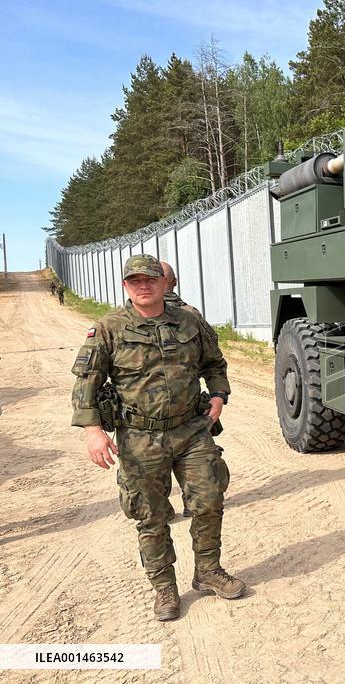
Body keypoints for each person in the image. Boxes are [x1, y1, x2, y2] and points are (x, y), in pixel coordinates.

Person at [70, 254, 245, 622]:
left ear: (165, 283)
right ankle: (165, 587)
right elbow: (87, 381)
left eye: (150, 279)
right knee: (150, 516)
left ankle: (208, 570)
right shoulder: (109, 328)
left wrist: (218, 394)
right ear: (126, 286)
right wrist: (93, 431)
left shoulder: (190, 320)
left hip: (191, 429)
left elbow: (214, 363)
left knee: (209, 501)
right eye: (135, 281)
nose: (143, 285)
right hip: (138, 437)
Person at [160, 261, 208, 519]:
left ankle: (164, 509)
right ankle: (192, 502)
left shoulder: (135, 314)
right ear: (175, 282)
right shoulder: (192, 313)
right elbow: (209, 352)